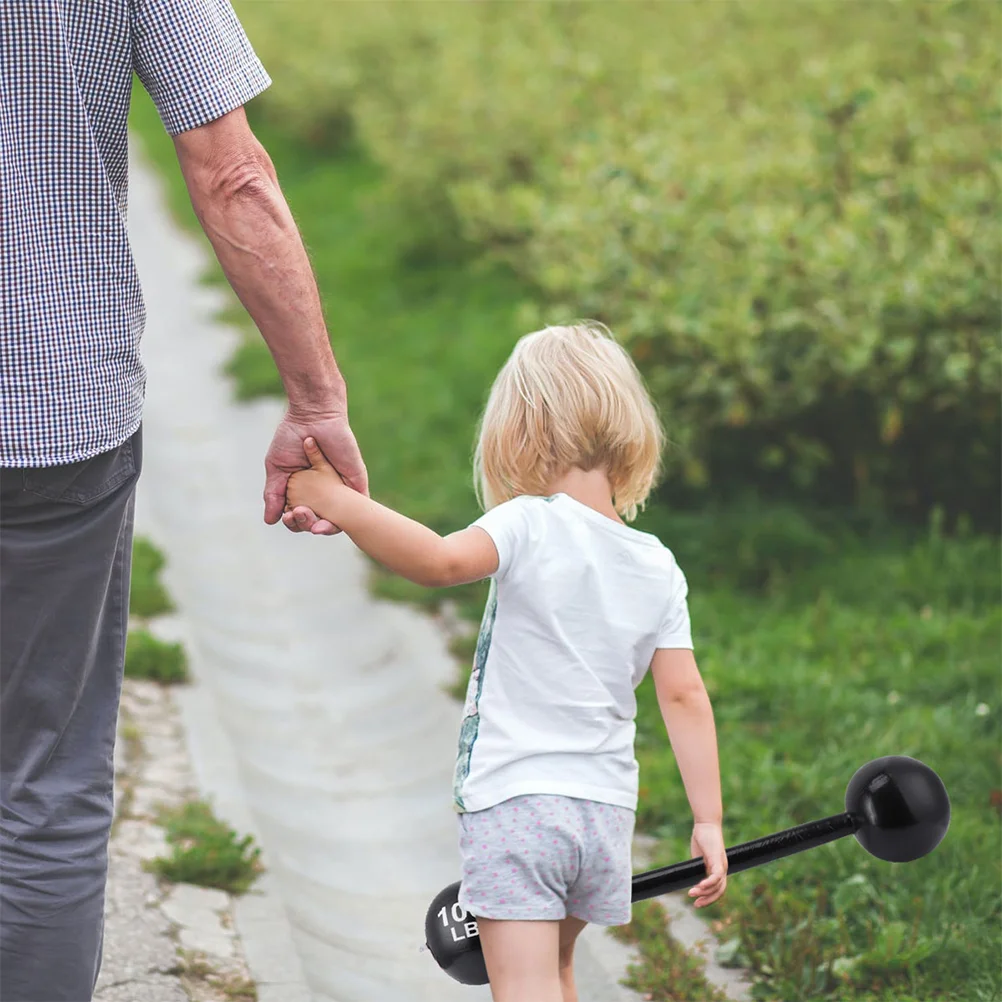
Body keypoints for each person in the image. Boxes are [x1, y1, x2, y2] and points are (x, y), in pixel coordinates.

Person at [0, 2, 364, 999]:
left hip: (56, 427)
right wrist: (315, 396)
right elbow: (231, 172)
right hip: (48, 410)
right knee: (44, 782)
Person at [284, 321, 728, 1002]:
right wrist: (709, 821)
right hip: (604, 814)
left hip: (519, 806)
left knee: (523, 987)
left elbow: (437, 562)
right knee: (556, 975)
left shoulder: (529, 522)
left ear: (520, 433)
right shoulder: (657, 565)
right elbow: (684, 697)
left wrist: (338, 500)